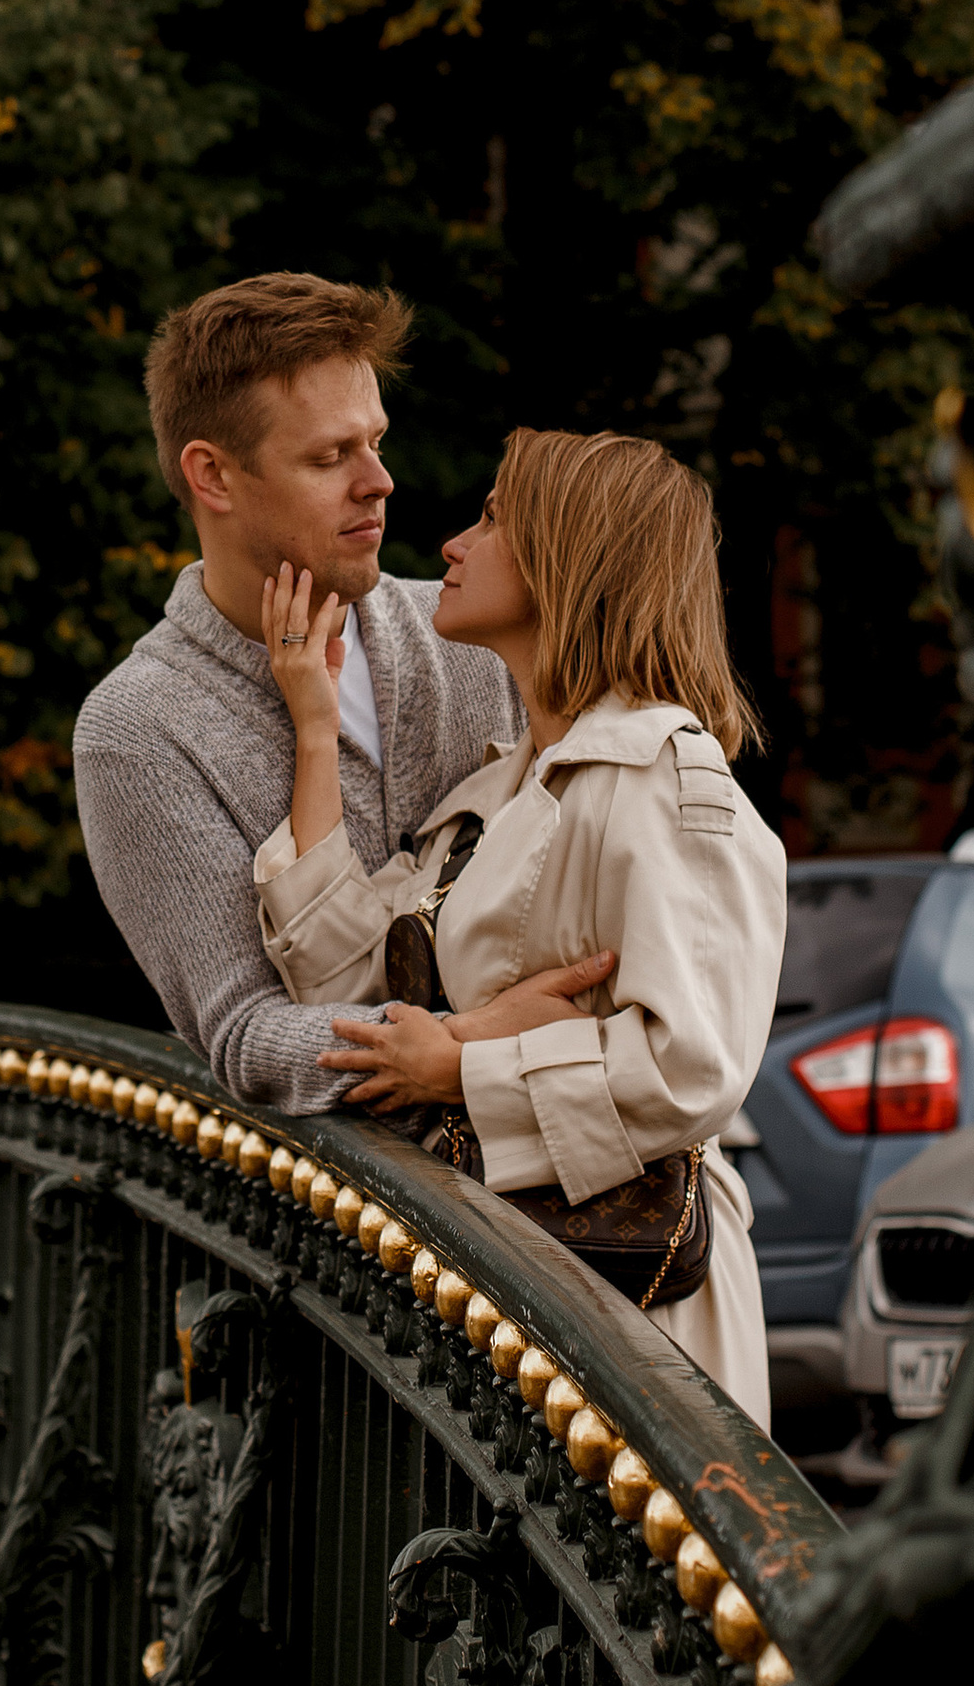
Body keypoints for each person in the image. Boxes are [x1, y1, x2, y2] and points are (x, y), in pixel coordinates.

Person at [252, 427, 784, 1422]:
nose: (453, 543)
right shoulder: (495, 794)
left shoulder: (662, 779)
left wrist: (459, 1065)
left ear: (571, 556)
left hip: (634, 1300)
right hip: (516, 1289)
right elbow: (341, 994)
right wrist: (314, 728)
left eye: (493, 518)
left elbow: (692, 1068)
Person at [74, 275, 611, 1108]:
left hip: (589, 1191)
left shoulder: (474, 634)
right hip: (354, 1226)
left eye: (377, 442)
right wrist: (462, 1039)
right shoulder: (139, 730)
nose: (379, 481)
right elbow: (245, 1034)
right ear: (211, 476)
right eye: (330, 456)